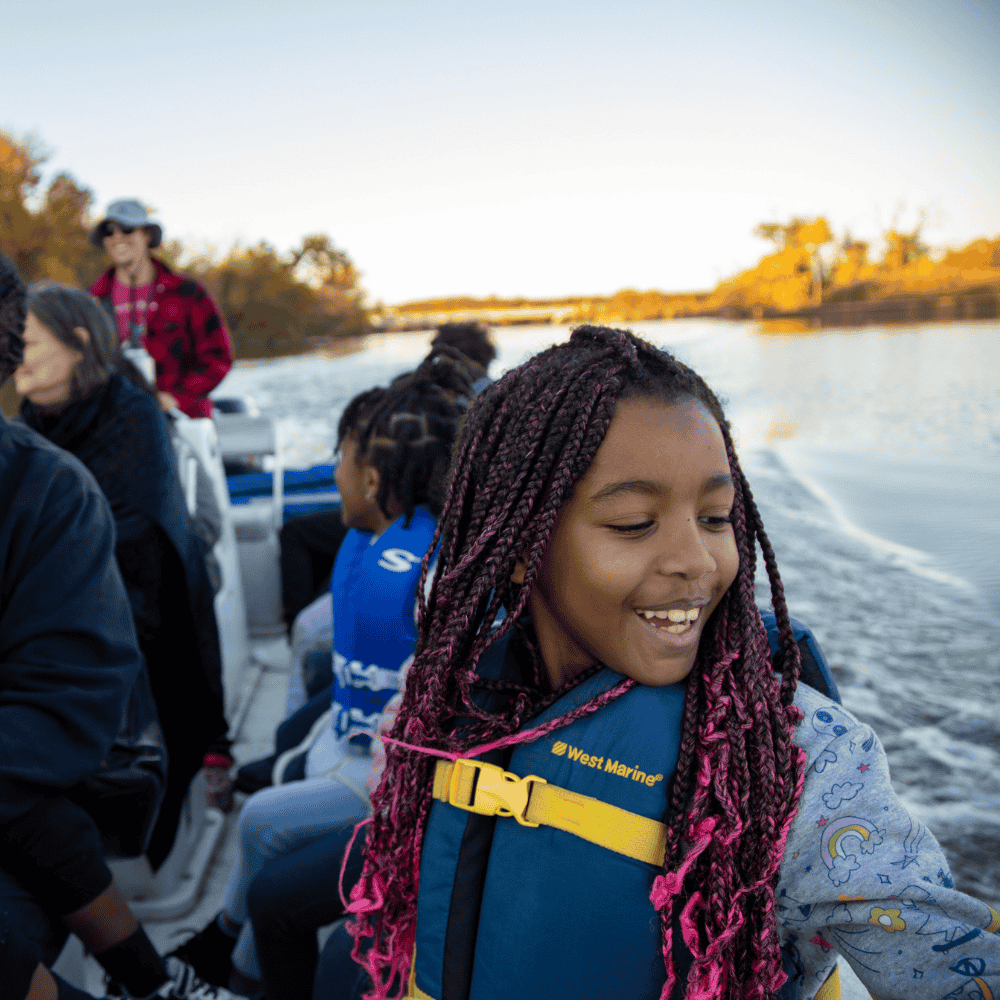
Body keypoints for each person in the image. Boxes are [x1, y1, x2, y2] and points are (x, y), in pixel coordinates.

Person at [330, 326, 1000, 1000]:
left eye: (716, 517)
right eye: (633, 524)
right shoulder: (441, 700)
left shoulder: (800, 762)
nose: (697, 561)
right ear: (517, 547)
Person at [168, 359, 472, 998]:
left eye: (340, 460)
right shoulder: (378, 540)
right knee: (281, 760)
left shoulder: (425, 572)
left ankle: (235, 968)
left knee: (262, 821)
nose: (332, 473)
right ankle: (228, 951)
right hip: (349, 738)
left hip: (383, 771)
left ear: (372, 479)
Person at [0, 252, 241, 1000]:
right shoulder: (35, 437)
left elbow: (146, 537)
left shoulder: (110, 432)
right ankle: (151, 978)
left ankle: (148, 974)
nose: (19, 355)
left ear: (79, 344)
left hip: (138, 609)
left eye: (31, 341)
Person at [89, 199, 233, 419]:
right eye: (108, 231)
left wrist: (176, 397)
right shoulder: (92, 301)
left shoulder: (187, 293)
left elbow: (218, 356)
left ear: (147, 235)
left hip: (183, 419)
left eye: (127, 229)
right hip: (117, 422)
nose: (117, 237)